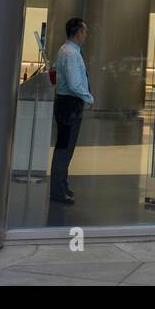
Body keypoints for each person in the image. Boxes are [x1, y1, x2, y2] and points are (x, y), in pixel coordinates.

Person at [49, 17, 93, 205]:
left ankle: (62, 186)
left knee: (64, 147)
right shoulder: (72, 54)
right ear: (78, 32)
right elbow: (75, 84)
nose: (86, 35)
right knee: (64, 149)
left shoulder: (64, 50)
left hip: (64, 103)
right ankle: (59, 191)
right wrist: (89, 97)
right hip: (70, 106)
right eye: (84, 31)